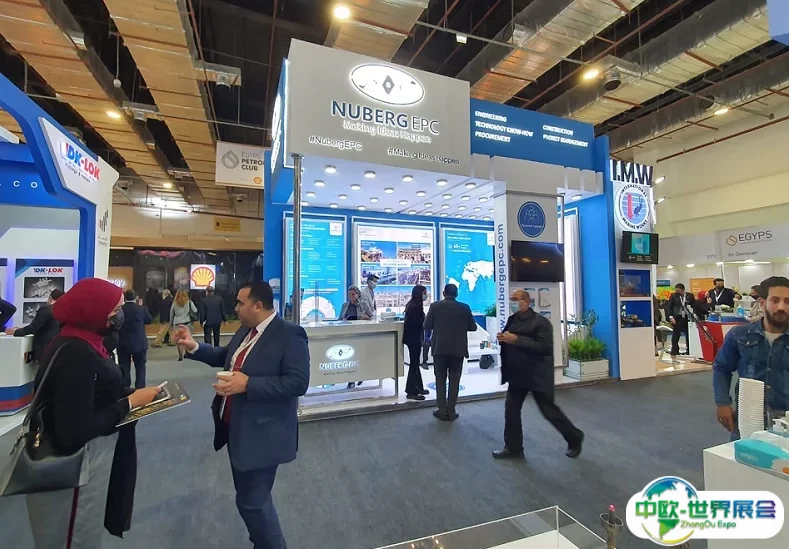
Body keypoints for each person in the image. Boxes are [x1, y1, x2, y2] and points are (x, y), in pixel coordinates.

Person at [25, 278, 161, 548]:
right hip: (73, 470)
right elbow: (74, 431)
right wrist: (129, 403)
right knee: (75, 537)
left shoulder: (84, 342)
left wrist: (131, 395)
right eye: (115, 310)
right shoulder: (76, 353)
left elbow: (95, 389)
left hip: (86, 464)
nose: (119, 316)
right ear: (93, 311)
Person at [174, 281, 310, 549]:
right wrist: (194, 347)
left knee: (253, 502)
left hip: (263, 434)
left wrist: (249, 384)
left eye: (240, 303)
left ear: (258, 306)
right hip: (237, 430)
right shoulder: (246, 330)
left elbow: (298, 382)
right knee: (249, 499)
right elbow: (227, 356)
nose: (235, 308)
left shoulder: (290, 334)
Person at [492, 290, 584, 460]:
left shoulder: (541, 323)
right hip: (517, 375)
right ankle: (513, 448)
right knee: (511, 411)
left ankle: (574, 437)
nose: (512, 302)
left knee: (548, 411)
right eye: (511, 299)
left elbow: (545, 347)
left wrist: (516, 340)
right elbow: (512, 339)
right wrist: (504, 338)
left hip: (537, 375)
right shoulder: (512, 319)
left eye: (515, 299)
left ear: (527, 301)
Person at [713, 276, 789, 437]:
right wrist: (722, 403)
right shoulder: (739, 335)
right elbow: (721, 368)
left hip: (786, 422)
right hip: (748, 418)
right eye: (775, 300)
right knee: (745, 453)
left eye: (787, 301)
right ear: (762, 303)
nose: (781, 307)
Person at [423, 283, 477, 421]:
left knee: (440, 380)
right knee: (454, 380)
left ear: (443, 293)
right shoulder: (465, 308)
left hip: (440, 349)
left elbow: (426, 325)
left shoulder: (435, 306)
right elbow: (473, 327)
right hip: (458, 350)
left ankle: (441, 410)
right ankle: (451, 411)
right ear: (457, 294)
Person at [5, 289, 64, 361]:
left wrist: (16, 332)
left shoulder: (46, 309)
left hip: (44, 348)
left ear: (50, 298)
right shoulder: (63, 311)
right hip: (58, 349)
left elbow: (33, 327)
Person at [117, 290, 153, 388]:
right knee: (140, 367)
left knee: (124, 366)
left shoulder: (120, 309)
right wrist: (141, 306)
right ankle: (140, 388)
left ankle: (125, 388)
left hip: (122, 342)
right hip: (139, 343)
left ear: (125, 298)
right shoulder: (141, 309)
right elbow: (149, 320)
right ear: (136, 298)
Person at [403, 285, 429, 400]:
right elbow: (417, 324)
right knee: (414, 365)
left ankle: (418, 387)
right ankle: (411, 391)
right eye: (424, 293)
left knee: (416, 363)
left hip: (412, 338)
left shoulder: (413, 304)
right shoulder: (415, 307)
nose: (426, 295)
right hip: (414, 338)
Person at [666, 283, 695, 357]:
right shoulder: (673, 296)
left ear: (683, 290)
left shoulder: (690, 296)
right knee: (676, 334)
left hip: (687, 317)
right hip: (677, 318)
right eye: (676, 290)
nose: (677, 292)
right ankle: (675, 351)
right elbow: (669, 307)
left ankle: (690, 350)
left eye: (678, 291)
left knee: (689, 335)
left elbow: (694, 305)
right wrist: (671, 317)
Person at [170, 289, 198, 361]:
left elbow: (171, 314)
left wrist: (171, 324)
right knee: (187, 339)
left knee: (179, 340)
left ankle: (180, 356)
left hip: (177, 324)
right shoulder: (189, 302)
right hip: (187, 323)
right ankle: (186, 354)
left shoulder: (174, 303)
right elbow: (195, 310)